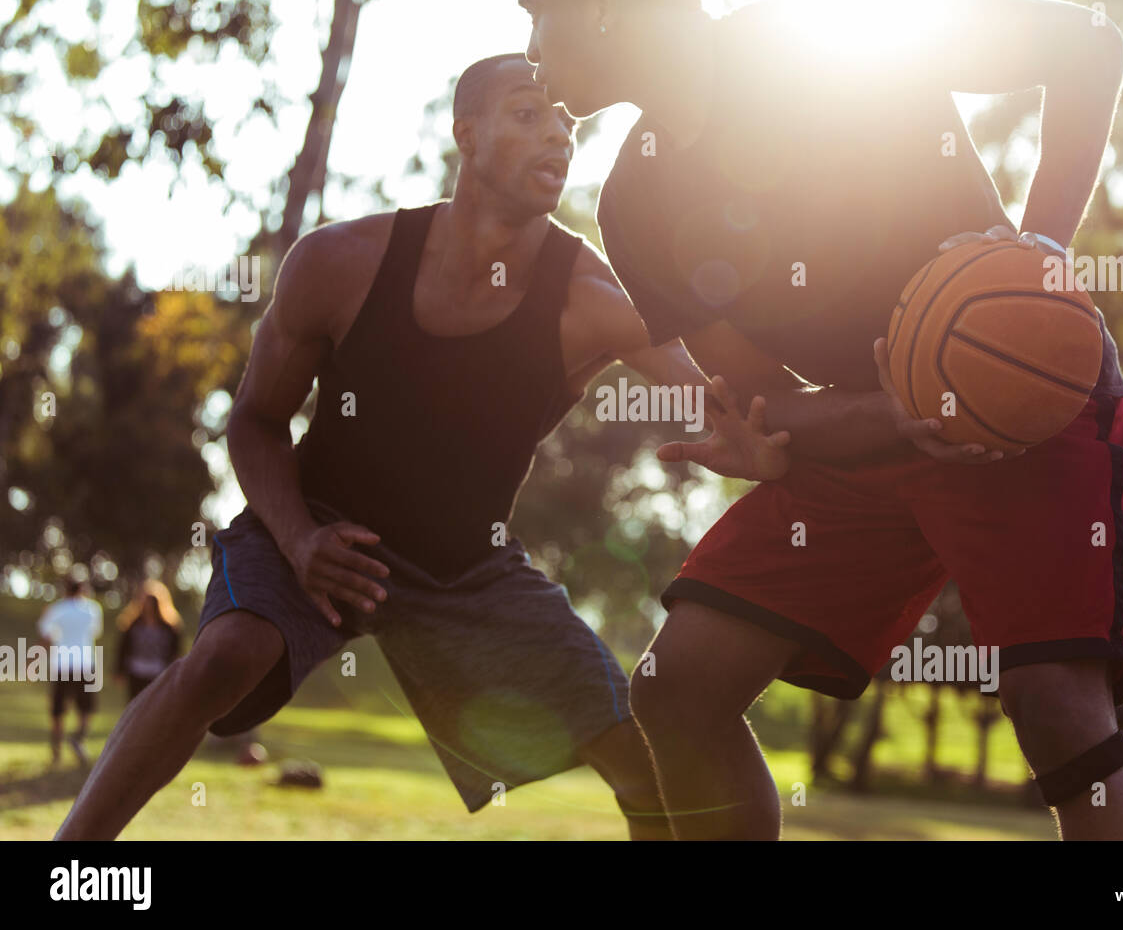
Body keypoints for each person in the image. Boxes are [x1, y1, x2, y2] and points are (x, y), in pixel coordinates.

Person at [54, 52, 788, 841]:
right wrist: (299, 540)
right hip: (321, 527)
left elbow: (710, 396)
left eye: (567, 123)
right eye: (528, 114)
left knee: (643, 760)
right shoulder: (339, 263)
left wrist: (745, 438)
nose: (558, 137)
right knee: (227, 657)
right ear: (465, 134)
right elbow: (255, 421)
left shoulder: (592, 297)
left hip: (468, 567)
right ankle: (70, 865)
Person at [517, 0, 1123, 839]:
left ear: (600, 2)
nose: (531, 50)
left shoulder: (821, 41)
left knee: (1057, 712)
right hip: (872, 438)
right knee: (676, 687)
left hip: (1024, 411)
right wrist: (892, 417)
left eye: (536, 15)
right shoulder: (634, 202)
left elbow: (1088, 44)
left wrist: (1038, 254)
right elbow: (764, 399)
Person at [38, 579, 103, 767]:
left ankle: (56, 747)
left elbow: (46, 634)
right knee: (85, 707)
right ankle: (78, 738)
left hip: (62, 663)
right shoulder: (92, 609)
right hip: (84, 662)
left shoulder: (57, 609)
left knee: (58, 708)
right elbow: (95, 632)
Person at [115, 580, 183, 700]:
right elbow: (123, 648)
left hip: (159, 672)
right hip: (136, 672)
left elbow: (175, 651)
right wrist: (119, 670)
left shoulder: (169, 628)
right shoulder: (133, 625)